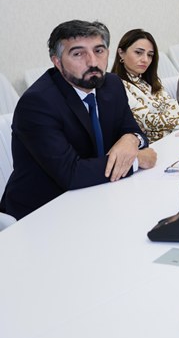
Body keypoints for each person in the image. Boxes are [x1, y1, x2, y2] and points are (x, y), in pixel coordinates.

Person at [0, 20, 156, 220]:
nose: (92, 62)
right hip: (42, 212)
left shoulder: (112, 84)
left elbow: (134, 131)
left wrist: (132, 139)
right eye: (78, 54)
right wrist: (137, 160)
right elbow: (71, 174)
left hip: (97, 195)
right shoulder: (37, 103)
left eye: (99, 51)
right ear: (57, 61)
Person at [111, 29, 179, 142]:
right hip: (150, 145)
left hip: (174, 136)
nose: (145, 59)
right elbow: (146, 120)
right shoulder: (116, 84)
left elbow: (176, 108)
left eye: (150, 55)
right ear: (121, 53)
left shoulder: (149, 81)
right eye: (138, 52)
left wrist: (169, 120)